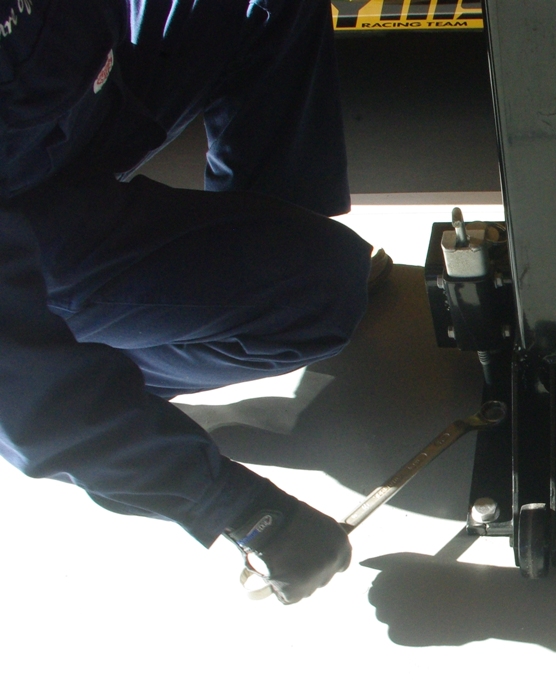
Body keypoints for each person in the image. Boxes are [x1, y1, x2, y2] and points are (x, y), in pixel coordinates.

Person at [0, 0, 376, 603]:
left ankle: (273, 244)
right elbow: (25, 403)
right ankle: (108, 376)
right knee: (322, 299)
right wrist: (242, 509)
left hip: (78, 78)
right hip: (24, 225)